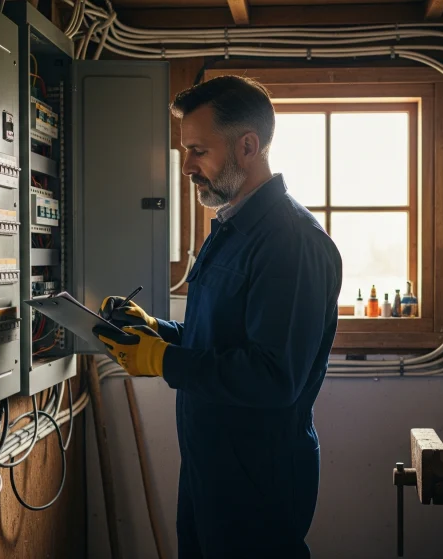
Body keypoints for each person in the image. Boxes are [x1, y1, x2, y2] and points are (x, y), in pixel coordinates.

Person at [93, 75, 343, 559]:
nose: (186, 166)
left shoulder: (290, 241)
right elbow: (220, 339)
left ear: (247, 146)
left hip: (258, 479)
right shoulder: (232, 226)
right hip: (211, 467)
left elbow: (273, 376)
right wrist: (155, 331)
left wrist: (163, 361)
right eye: (186, 150)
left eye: (198, 151)